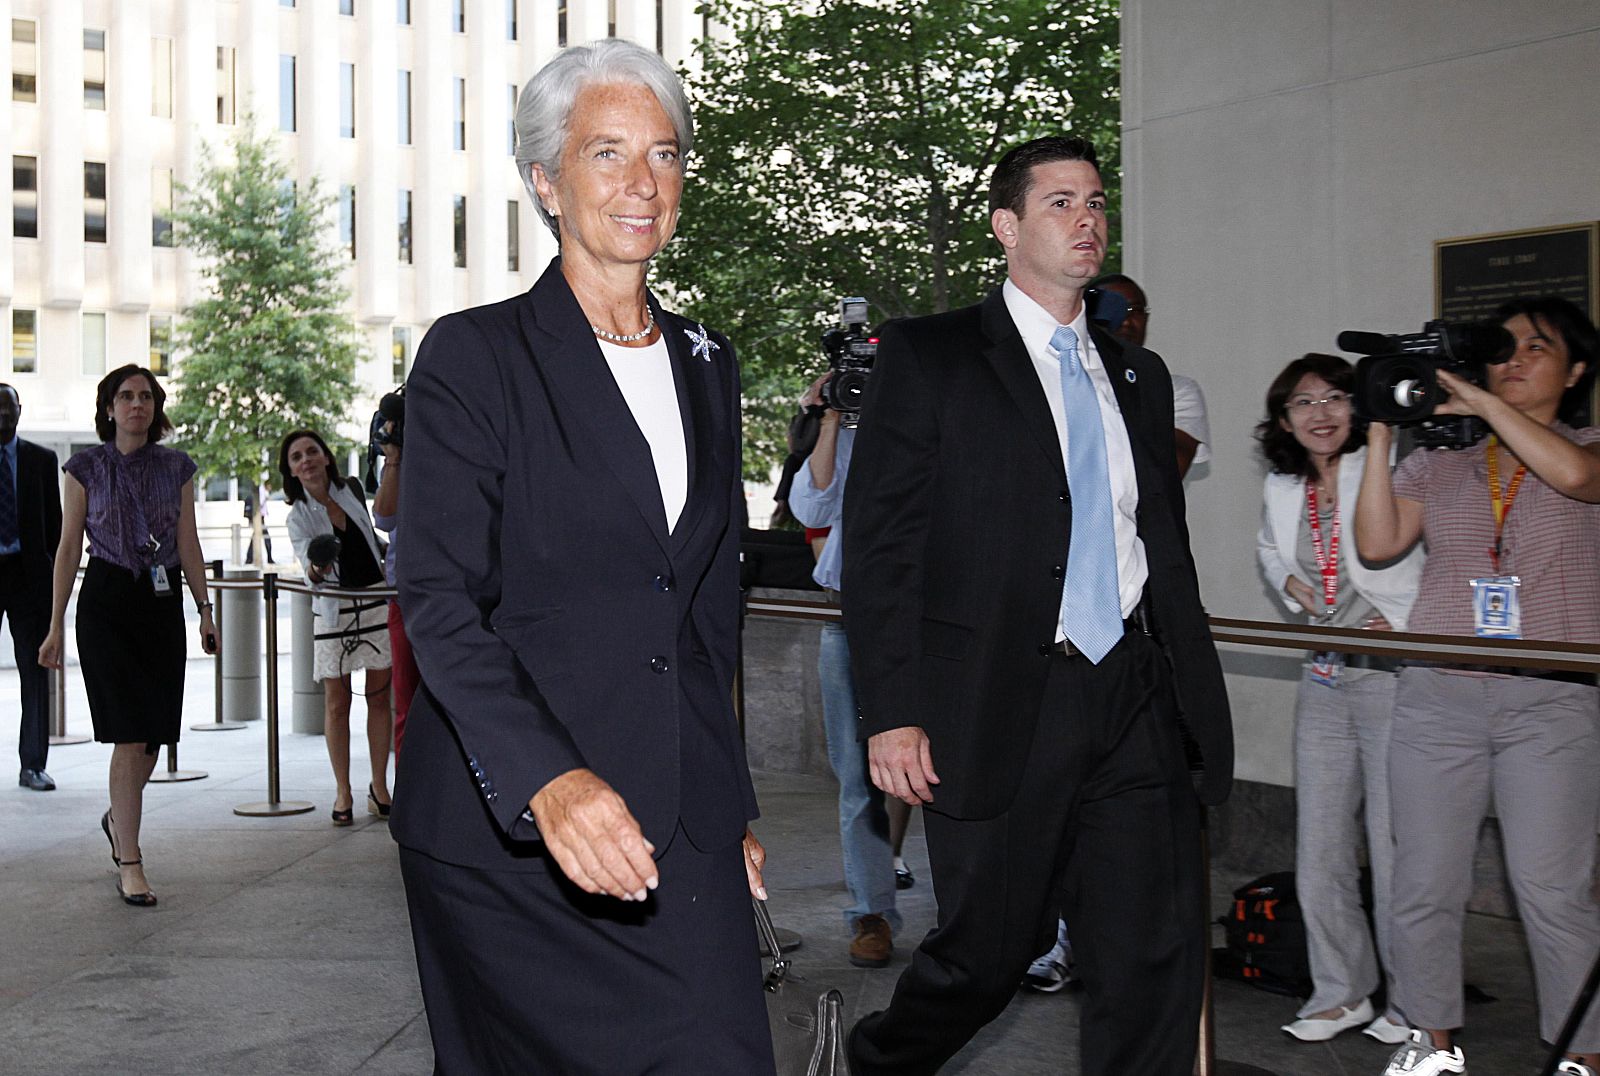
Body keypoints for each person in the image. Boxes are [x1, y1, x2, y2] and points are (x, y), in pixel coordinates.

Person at [389, 39, 773, 1074]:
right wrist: (547, 777)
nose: (644, 183)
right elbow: (437, 595)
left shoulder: (707, 362)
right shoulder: (477, 356)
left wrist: (725, 801)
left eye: (665, 153)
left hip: (674, 817)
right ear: (546, 182)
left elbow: (704, 613)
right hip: (507, 831)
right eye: (607, 153)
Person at [842, 135, 1233, 1075]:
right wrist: (891, 713)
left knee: (1153, 955)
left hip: (1137, 690)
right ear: (1006, 225)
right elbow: (883, 550)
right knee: (988, 954)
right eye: (1061, 202)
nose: (1087, 219)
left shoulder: (1138, 378)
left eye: (1096, 201)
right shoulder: (931, 355)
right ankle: (880, 1062)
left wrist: (1187, 693)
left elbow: (1159, 545)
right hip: (1004, 696)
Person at [1355, 297, 1600, 1076]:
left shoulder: (1588, 444)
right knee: (1421, 883)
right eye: (1503, 351)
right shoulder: (1446, 461)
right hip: (1440, 696)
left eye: (1537, 348)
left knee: (1552, 892)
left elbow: (1572, 476)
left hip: (1550, 700)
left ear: (1578, 370)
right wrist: (1380, 426)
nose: (1515, 361)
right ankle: (1431, 1045)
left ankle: (1581, 1054)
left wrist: (1483, 401)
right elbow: (1377, 541)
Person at [1254, 354, 1421, 1046]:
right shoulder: (1282, 483)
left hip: (1393, 674)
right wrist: (1290, 586)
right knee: (1319, 842)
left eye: (1333, 398)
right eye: (1302, 402)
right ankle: (1339, 991)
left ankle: (1412, 1004)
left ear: (1360, 408)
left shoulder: (1394, 466)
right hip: (1324, 670)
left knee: (1395, 846)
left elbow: (1442, 551)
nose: (1319, 413)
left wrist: (1408, 615)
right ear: (1285, 419)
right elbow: (1270, 549)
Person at [39, 365, 217, 907]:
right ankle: (131, 860)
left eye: (145, 396)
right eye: (125, 396)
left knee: (156, 731)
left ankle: (119, 817)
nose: (135, 405)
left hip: (161, 605)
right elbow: (69, 548)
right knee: (129, 733)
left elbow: (188, 541)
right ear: (109, 407)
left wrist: (205, 610)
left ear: (155, 407)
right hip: (107, 604)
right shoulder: (85, 467)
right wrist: (54, 626)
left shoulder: (177, 466)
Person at [788, 374, 903, 968]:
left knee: (955, 771)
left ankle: (980, 919)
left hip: (927, 625)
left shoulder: (935, 432)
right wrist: (831, 416)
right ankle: (872, 912)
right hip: (849, 620)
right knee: (857, 782)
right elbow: (809, 504)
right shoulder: (852, 437)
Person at [280, 430, 393, 826]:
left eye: (312, 451)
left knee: (380, 698)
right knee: (336, 703)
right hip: (334, 608)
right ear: (291, 470)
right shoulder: (298, 516)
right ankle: (342, 790)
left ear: (326, 457)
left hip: (377, 598)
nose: (306, 460)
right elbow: (308, 570)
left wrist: (389, 551)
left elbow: (369, 536)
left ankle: (379, 788)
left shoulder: (352, 490)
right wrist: (318, 564)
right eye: (297, 457)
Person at [0, 384, 62, 791]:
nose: (3, 417)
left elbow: (56, 526)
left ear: (20, 411)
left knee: (33, 672)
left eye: (9, 409)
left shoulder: (42, 459)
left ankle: (33, 765)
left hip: (29, 580)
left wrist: (53, 581)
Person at [1096, 272, 1211, 478]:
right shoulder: (1061, 384)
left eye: (1135, 310)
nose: (1126, 321)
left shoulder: (1174, 391)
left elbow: (1164, 473)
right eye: (1112, 309)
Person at [368, 428, 415, 765]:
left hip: (453, 590)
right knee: (407, 700)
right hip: (404, 596)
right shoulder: (396, 463)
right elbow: (384, 517)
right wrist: (394, 458)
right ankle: (409, 799)